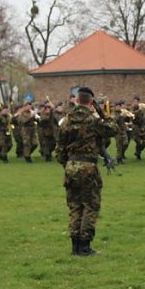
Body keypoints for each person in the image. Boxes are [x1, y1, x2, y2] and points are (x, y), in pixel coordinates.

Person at [54, 87, 117, 257]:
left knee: (75, 206)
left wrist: (68, 165)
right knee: (90, 206)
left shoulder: (66, 121)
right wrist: (102, 112)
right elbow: (113, 129)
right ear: (91, 102)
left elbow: (59, 149)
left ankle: (75, 246)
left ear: (76, 101)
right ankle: (85, 246)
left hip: (71, 166)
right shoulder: (92, 121)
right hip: (88, 166)